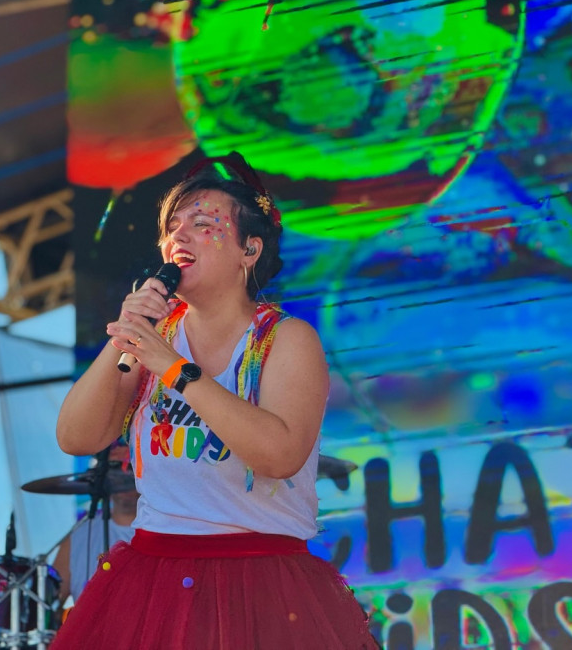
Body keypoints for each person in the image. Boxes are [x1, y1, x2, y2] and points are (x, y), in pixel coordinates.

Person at [53, 152, 376, 648]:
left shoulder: (286, 338)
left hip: (261, 579)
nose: (178, 236)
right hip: (154, 577)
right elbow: (76, 437)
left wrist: (174, 369)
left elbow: (280, 455)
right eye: (171, 228)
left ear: (250, 249)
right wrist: (126, 336)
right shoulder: (153, 338)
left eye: (202, 224)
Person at [52, 484, 140, 605]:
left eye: (131, 476)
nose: (124, 483)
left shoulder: (163, 533)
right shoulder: (78, 535)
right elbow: (52, 601)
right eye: (118, 477)